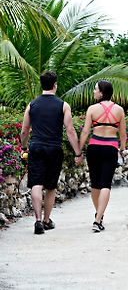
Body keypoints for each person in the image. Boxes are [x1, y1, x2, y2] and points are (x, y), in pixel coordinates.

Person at [20, 71, 81, 235]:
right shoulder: (63, 105)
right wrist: (77, 152)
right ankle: (47, 220)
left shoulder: (31, 105)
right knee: (50, 186)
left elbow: (25, 130)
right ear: (55, 85)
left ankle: (38, 220)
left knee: (36, 184)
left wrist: (23, 147)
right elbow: (70, 131)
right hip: (54, 148)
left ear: (42, 85)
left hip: (36, 147)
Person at [76, 80, 126, 232]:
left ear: (102, 92)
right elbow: (122, 134)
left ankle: (99, 215)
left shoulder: (92, 109)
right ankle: (98, 219)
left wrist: (78, 150)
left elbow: (85, 132)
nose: (94, 92)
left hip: (94, 147)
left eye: (95, 89)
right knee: (106, 184)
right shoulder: (119, 110)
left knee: (95, 184)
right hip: (110, 148)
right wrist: (122, 149)